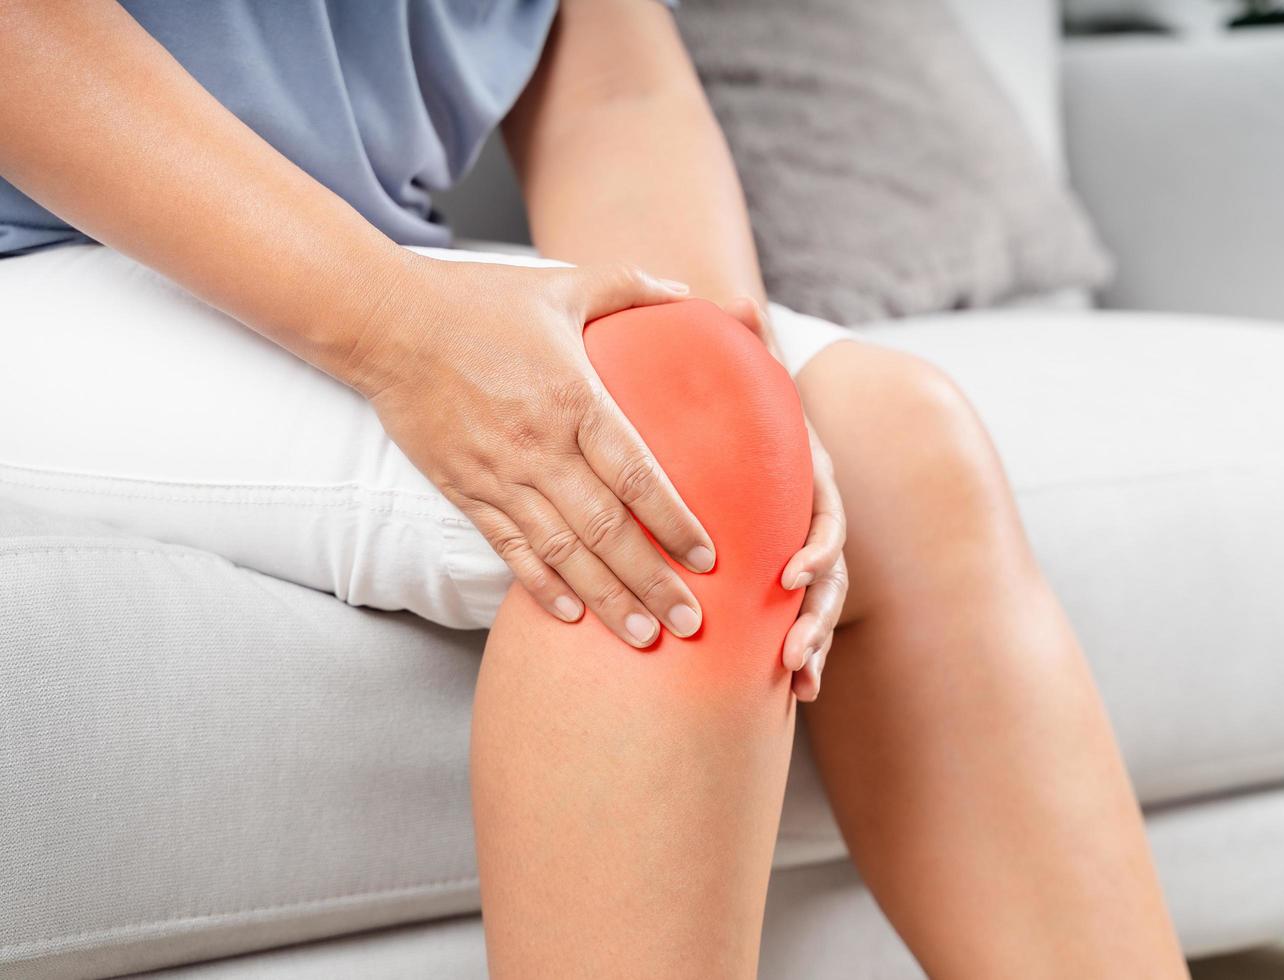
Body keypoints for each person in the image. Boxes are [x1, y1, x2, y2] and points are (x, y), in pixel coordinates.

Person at [0, 1, 1187, 976]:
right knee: (688, 480)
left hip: (360, 234)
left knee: (904, 449)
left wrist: (743, 371)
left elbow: (618, 82)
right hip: (41, 247)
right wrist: (392, 328)